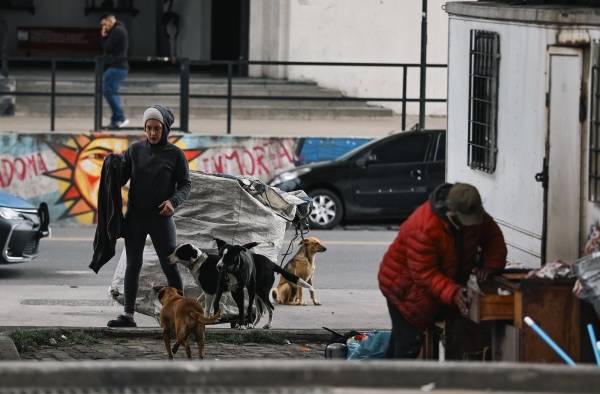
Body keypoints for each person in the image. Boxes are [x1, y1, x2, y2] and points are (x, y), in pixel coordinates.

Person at [377, 182, 507, 358]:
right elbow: (424, 273)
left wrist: (491, 265)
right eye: (466, 223)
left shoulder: (471, 211)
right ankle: (397, 383)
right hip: (404, 288)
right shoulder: (423, 227)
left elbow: (493, 238)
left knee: (401, 342)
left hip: (437, 285)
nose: (471, 226)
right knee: (408, 344)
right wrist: (453, 292)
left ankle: (382, 380)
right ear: (451, 214)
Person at [107, 105, 191, 327]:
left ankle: (180, 313)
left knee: (170, 265)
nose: (153, 133)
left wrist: (173, 202)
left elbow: (185, 185)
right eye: (148, 128)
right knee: (133, 265)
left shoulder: (175, 154)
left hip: (161, 219)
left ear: (165, 129)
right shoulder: (134, 150)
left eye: (157, 128)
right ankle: (128, 315)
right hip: (135, 217)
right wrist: (113, 167)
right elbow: (121, 179)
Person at [100, 14, 129, 129]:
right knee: (112, 92)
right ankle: (116, 120)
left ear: (110, 21)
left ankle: (121, 117)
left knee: (108, 91)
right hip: (118, 66)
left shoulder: (117, 30)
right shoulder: (118, 30)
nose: (104, 26)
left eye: (105, 24)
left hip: (117, 66)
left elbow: (107, 47)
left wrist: (103, 35)